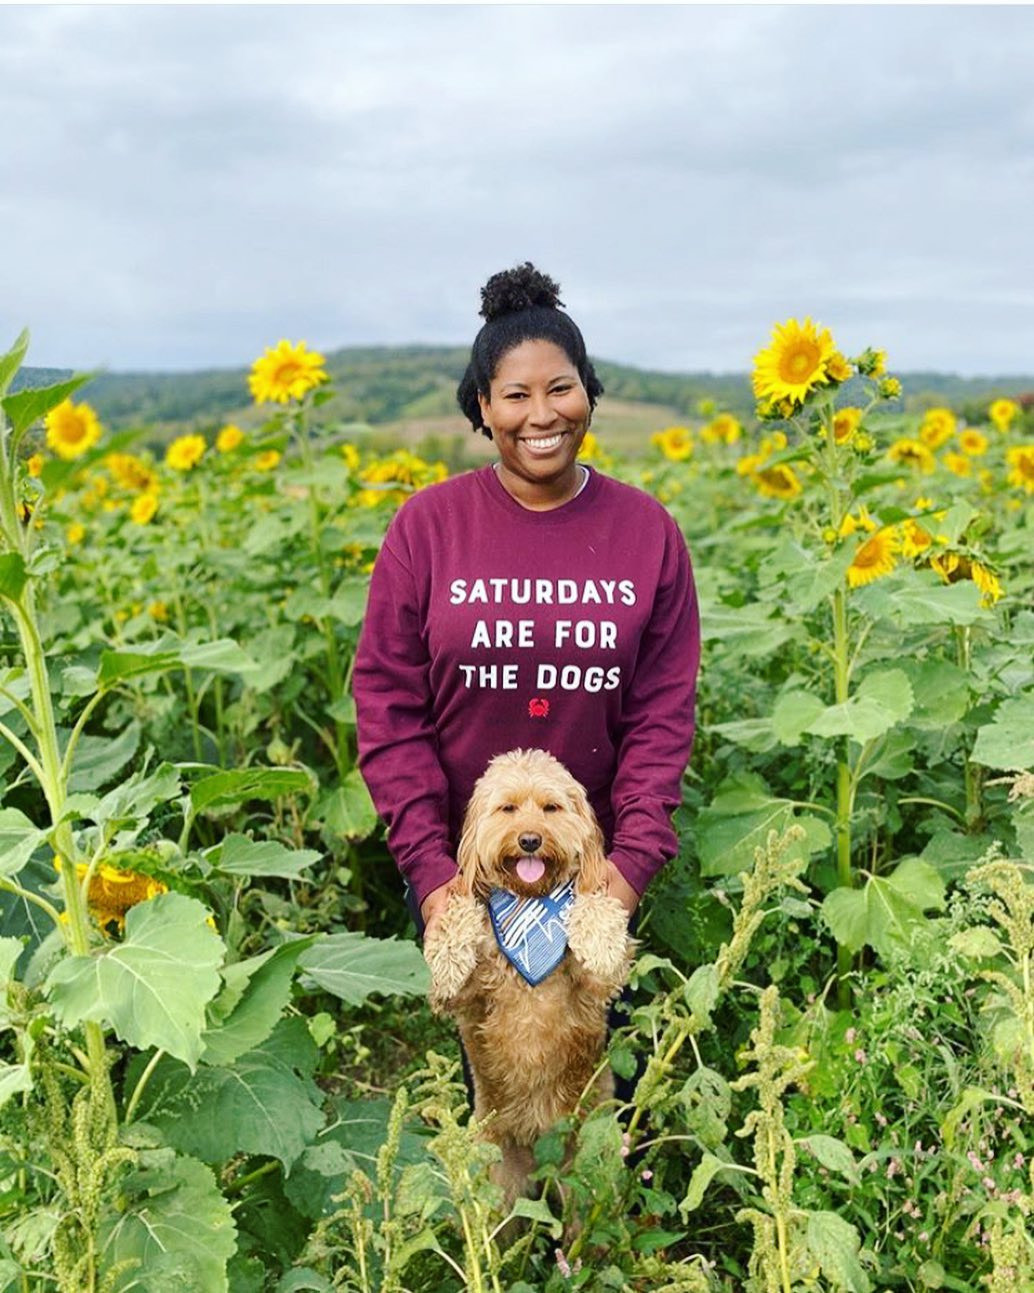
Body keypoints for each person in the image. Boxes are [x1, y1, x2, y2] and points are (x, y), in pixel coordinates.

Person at [353, 263, 700, 950]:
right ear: (483, 405)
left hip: (595, 869)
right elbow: (389, 707)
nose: (542, 414)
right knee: (488, 1052)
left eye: (560, 388)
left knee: (598, 1050)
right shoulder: (428, 527)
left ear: (588, 391)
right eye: (516, 394)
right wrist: (431, 875)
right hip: (463, 870)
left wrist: (626, 872)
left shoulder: (646, 531)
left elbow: (661, 716)